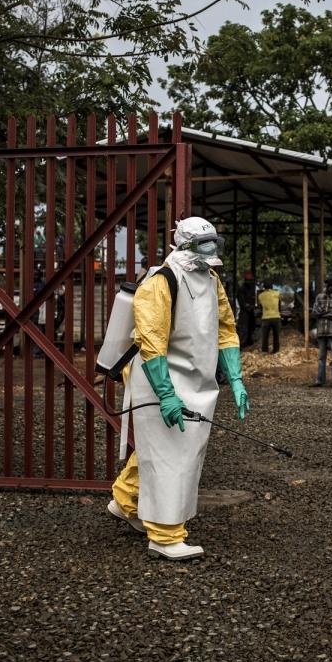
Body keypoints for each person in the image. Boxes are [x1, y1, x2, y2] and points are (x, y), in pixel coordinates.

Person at [107, 217, 250, 560]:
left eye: (215, 243)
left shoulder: (210, 279)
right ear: (184, 245)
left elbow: (226, 329)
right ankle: (166, 536)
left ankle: (127, 501)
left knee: (167, 448)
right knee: (173, 455)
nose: (212, 251)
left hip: (198, 382)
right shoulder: (162, 281)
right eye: (205, 244)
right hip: (160, 379)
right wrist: (166, 394)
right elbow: (151, 341)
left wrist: (236, 378)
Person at [311, 276, 332, 386]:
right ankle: (320, 380)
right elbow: (314, 313)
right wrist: (329, 313)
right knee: (321, 357)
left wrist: (322, 314)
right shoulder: (319, 297)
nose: (330, 288)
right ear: (326, 286)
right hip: (321, 331)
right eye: (328, 286)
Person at [258, 281, 281, 353]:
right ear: (272, 287)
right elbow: (279, 304)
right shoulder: (277, 293)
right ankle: (276, 350)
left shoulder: (260, 296)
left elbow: (260, 307)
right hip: (276, 317)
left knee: (265, 336)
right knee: (276, 336)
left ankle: (265, 351)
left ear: (264, 287)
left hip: (265, 318)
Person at [236, 271, 257, 348]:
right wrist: (249, 307)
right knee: (243, 330)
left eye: (251, 280)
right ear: (246, 280)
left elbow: (252, 301)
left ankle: (249, 344)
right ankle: (242, 346)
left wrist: (253, 308)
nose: (250, 282)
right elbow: (242, 303)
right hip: (244, 314)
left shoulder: (251, 289)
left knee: (251, 329)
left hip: (250, 313)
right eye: (249, 280)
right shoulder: (242, 289)